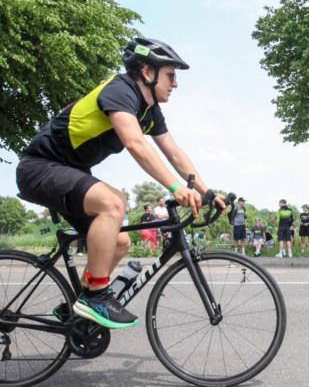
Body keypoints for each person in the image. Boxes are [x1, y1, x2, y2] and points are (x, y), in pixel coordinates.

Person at [16, 37, 221, 328]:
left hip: (68, 171)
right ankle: (94, 295)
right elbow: (135, 143)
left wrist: (207, 191)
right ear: (148, 73)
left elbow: (173, 152)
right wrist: (176, 188)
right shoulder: (120, 90)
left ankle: (75, 309)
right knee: (114, 202)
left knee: (120, 241)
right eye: (171, 75)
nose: (175, 83)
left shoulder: (149, 111)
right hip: (39, 167)